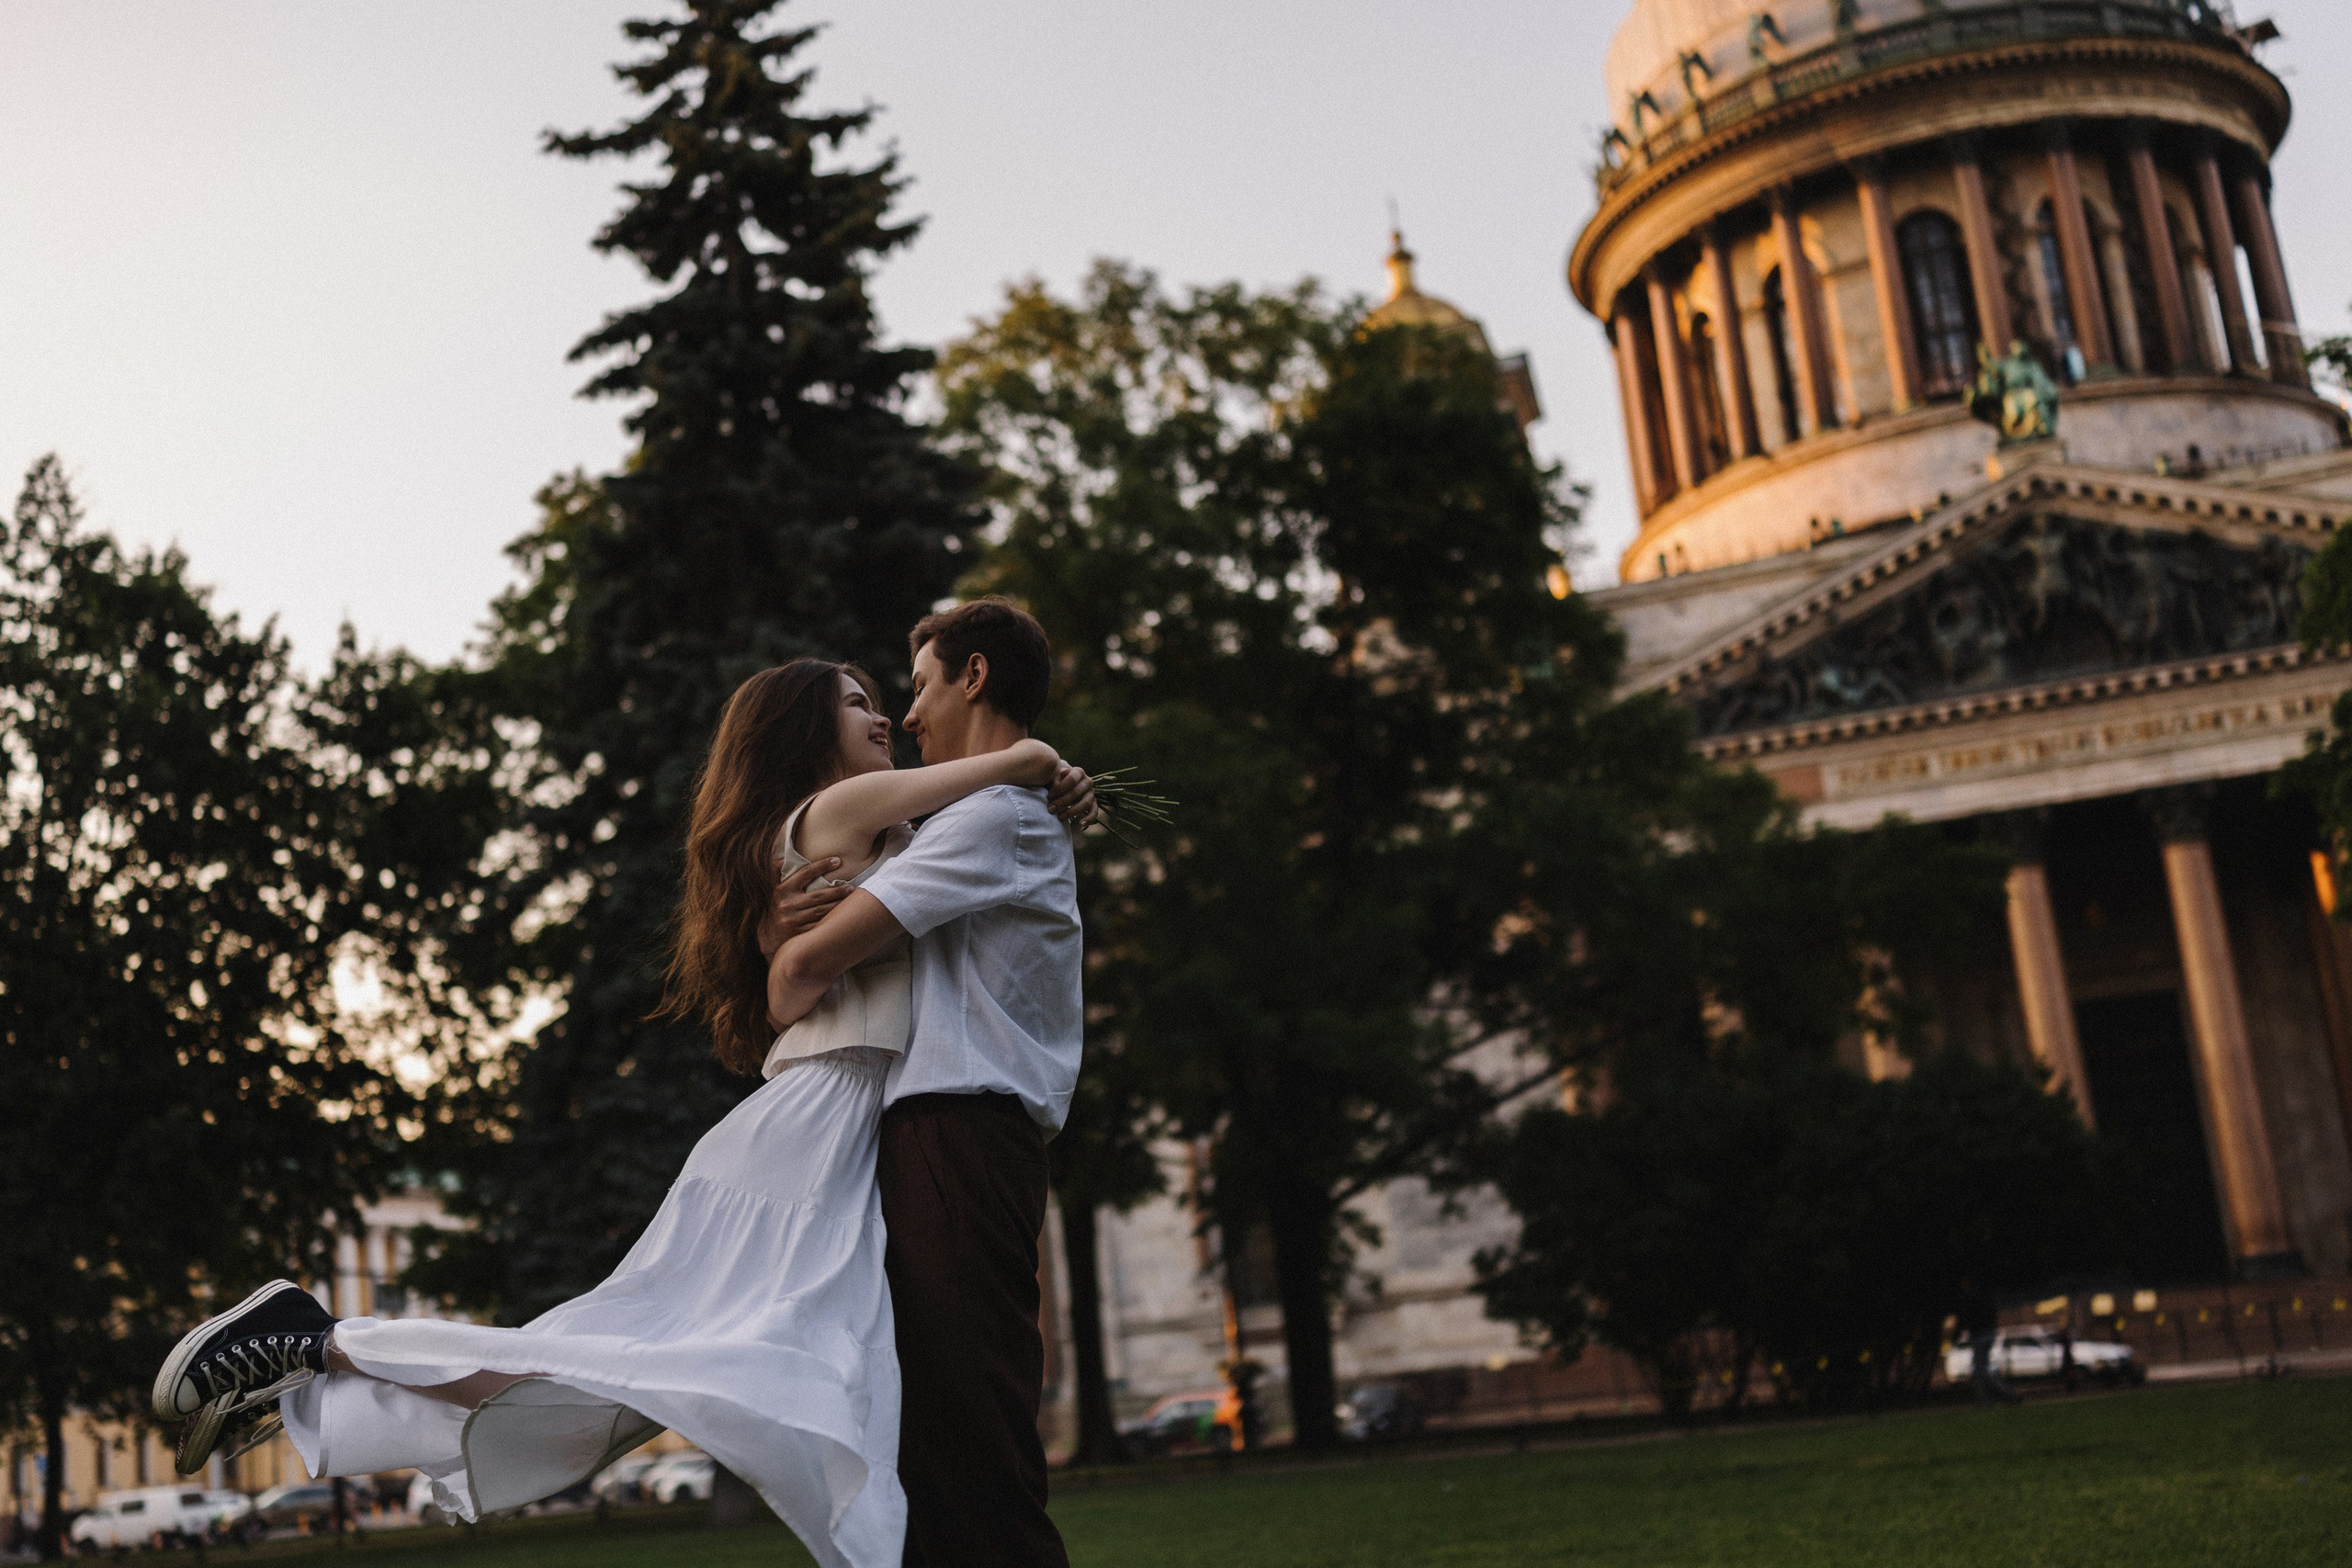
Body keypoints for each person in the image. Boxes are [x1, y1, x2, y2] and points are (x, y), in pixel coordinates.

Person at [148, 658, 1095, 1568]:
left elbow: (882, 917)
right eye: (858, 703)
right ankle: (316, 1340)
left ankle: (318, 1357)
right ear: (803, 735)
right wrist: (1039, 764)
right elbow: (978, 798)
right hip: (816, 1137)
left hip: (824, 1137)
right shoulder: (840, 811)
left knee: (625, 1378)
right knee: (630, 1368)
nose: (887, 717)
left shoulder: (861, 836)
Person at [765, 598, 1081, 1568]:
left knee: (975, 1445)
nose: (907, 716)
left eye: (919, 686)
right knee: (945, 1446)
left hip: (959, 1133)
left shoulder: (993, 819)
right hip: (941, 1139)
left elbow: (807, 971)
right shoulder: (978, 816)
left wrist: (786, 947)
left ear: (973, 677)